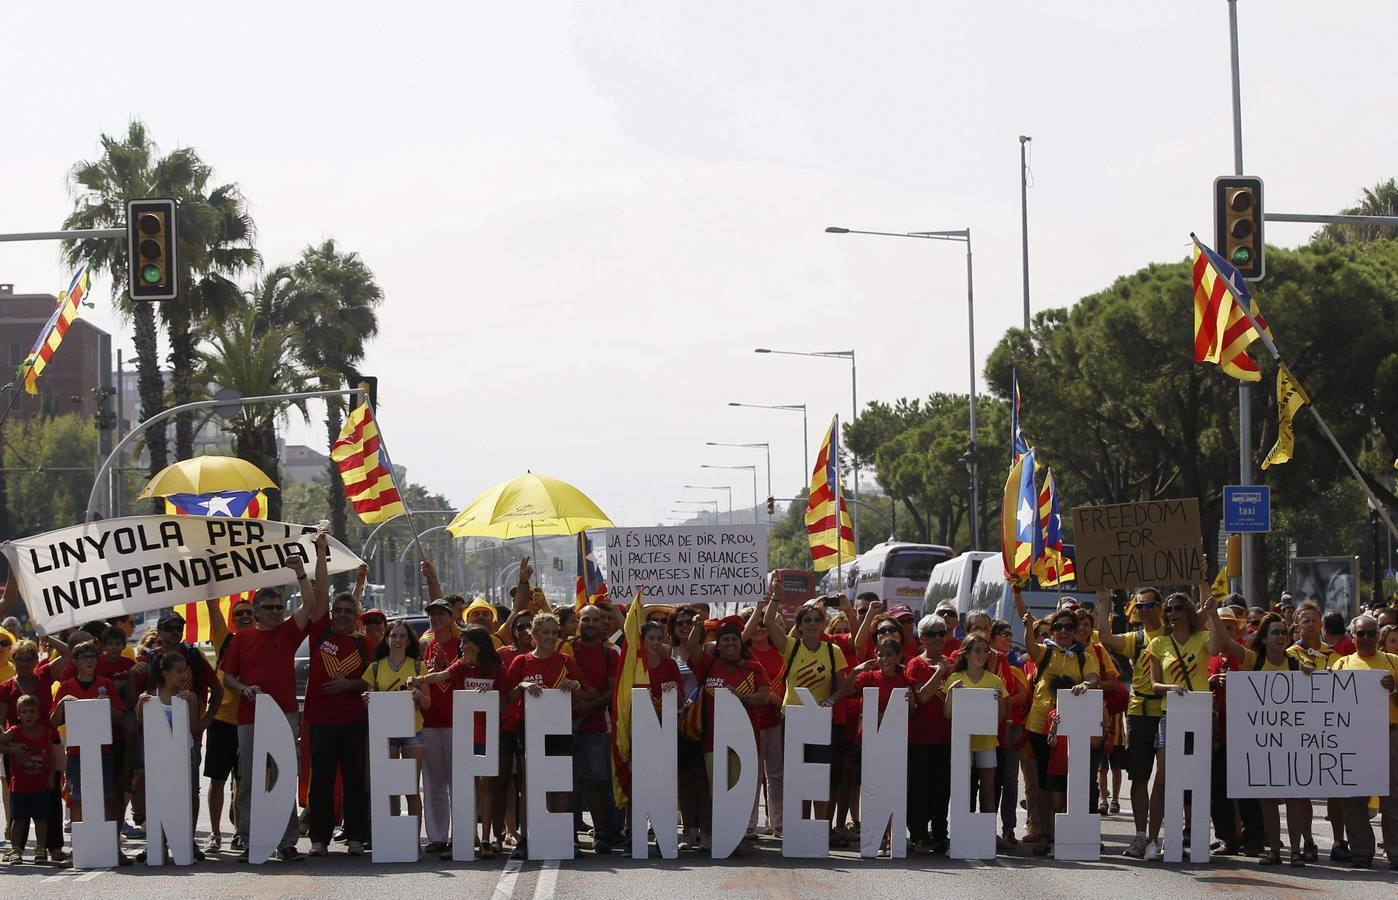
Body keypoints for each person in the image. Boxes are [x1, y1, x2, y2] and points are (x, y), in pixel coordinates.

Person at [219, 533, 329, 862]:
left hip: (283, 714)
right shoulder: (241, 638)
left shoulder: (288, 630)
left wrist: (300, 572)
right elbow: (226, 676)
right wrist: (244, 689)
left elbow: (310, 605)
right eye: (268, 607)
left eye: (280, 607)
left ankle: (287, 842)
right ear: (255, 611)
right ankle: (251, 840)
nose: (276, 612)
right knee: (251, 780)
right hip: (250, 716)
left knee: (283, 777)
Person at [1212, 610, 1315, 865]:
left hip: (1291, 742)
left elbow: (1317, 688)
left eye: (1283, 632)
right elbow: (1226, 641)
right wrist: (1213, 614)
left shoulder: (1296, 664)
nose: (1280, 636)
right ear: (1265, 639)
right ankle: (1275, 852)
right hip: (1262, 743)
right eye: (1275, 633)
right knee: (1267, 799)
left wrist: (1311, 675)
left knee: (1293, 798)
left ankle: (1295, 851)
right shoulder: (1252, 660)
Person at [765, 600, 851, 842]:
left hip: (820, 722)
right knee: (796, 778)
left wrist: (832, 700)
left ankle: (819, 832)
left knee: (818, 779)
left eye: (817, 620)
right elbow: (769, 622)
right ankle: (799, 830)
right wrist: (775, 598)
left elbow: (844, 685)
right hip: (792, 720)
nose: (812, 624)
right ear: (799, 625)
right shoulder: (791, 647)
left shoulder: (833, 651)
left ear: (824, 624)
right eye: (807, 620)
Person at [1140, 592, 1214, 862]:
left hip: (1199, 716)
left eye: (1179, 608)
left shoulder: (1203, 638)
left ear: (1189, 611)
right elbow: (1155, 685)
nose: (1173, 613)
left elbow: (1217, 647)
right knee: (1163, 778)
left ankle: (1193, 839)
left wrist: (1213, 613)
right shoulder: (1158, 643)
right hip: (1170, 715)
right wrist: (1172, 687)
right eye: (1169, 609)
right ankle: (1151, 840)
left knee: (1195, 779)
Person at [501, 612, 581, 859]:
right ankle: (527, 839)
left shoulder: (566, 661)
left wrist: (574, 686)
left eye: (554, 632)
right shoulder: (522, 662)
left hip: (559, 730)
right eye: (544, 632)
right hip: (530, 730)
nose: (550, 637)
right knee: (530, 785)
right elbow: (507, 698)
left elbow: (577, 692)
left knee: (559, 784)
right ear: (534, 635)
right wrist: (522, 686)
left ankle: (559, 836)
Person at [1023, 606, 1100, 857]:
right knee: (1044, 783)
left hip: (1073, 728)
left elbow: (1092, 679)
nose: (1064, 631)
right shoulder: (1045, 651)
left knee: (1070, 783)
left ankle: (1069, 834)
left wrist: (1085, 684)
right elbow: (1031, 649)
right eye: (1058, 627)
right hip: (1040, 725)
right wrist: (1027, 627)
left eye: (1069, 627)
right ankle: (1045, 834)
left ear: (1077, 631)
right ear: (1052, 631)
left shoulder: (1085, 656)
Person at [687, 618, 769, 852]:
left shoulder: (754, 668)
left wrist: (740, 698)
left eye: (734, 639)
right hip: (713, 741)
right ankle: (718, 836)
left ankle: (735, 835)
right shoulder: (708, 665)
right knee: (718, 790)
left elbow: (764, 697)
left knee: (739, 789)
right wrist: (696, 627)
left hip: (746, 741)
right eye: (725, 640)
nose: (730, 643)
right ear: (718, 645)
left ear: (740, 643)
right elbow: (692, 647)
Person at [1096, 587, 1166, 858]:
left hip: (1167, 711)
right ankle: (1140, 837)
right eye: (1140, 606)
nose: (1145, 610)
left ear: (1159, 607)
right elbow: (1105, 637)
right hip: (1138, 713)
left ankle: (1155, 837)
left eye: (1150, 605)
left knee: (1165, 777)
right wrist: (1104, 603)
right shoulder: (1135, 638)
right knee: (1139, 777)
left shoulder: (1173, 636)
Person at [51, 640, 131, 864]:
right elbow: (53, 721)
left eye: (93, 657)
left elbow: (120, 717)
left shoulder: (106, 684)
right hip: (77, 753)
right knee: (77, 801)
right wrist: (61, 705)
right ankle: (79, 848)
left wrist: (105, 705)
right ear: (75, 662)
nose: (90, 661)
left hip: (103, 752)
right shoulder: (66, 686)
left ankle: (111, 848)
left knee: (107, 800)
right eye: (85, 657)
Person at [1329, 613, 1398, 870]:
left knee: (1393, 797)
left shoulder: (1393, 662)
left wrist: (1395, 689)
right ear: (1353, 636)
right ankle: (1361, 851)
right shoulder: (1342, 664)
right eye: (1362, 633)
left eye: (1371, 633)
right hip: (1354, 739)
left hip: (1390, 734)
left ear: (1378, 636)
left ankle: (1395, 851)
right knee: (1354, 798)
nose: (1367, 638)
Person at [305, 591, 371, 858]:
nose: (342, 615)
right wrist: (319, 553)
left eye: (348, 611)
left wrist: (349, 685)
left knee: (355, 782)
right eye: (338, 610)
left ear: (357, 617)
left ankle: (356, 836)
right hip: (321, 721)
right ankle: (319, 838)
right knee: (321, 783)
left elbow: (372, 680)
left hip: (353, 722)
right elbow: (316, 597)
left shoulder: (365, 643)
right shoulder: (320, 634)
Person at [366, 620, 432, 852]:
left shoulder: (417, 666)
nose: (398, 640)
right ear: (387, 639)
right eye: (394, 635)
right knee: (390, 786)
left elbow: (428, 702)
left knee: (411, 787)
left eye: (402, 636)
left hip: (413, 731)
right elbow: (369, 696)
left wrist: (417, 694)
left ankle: (413, 841)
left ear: (408, 641)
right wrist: (368, 698)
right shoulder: (376, 667)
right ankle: (392, 835)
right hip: (387, 733)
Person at [134, 651, 202, 862]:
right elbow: (141, 724)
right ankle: (156, 842)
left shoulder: (188, 696)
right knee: (158, 797)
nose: (183, 676)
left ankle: (186, 840)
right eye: (178, 671)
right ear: (165, 673)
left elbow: (195, 727)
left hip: (185, 753)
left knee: (188, 796)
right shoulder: (151, 696)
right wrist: (140, 706)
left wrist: (192, 703)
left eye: (185, 671)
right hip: (159, 756)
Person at [564, 603, 621, 853]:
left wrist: (587, 709)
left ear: (603, 625)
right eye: (585, 620)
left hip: (596, 727)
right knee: (564, 781)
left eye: (595, 620)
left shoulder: (611, 654)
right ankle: (565, 834)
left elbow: (611, 691)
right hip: (562, 726)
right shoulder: (564, 649)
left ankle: (601, 834)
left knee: (597, 781)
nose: (590, 624)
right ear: (578, 621)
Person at [940, 634, 1007, 849]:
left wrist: (998, 702)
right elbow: (947, 714)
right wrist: (951, 693)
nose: (981, 655)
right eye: (976, 650)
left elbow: (1001, 716)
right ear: (966, 653)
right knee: (962, 788)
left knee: (988, 789)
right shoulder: (955, 678)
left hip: (987, 742)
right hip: (962, 744)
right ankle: (961, 833)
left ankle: (988, 834)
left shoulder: (994, 680)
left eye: (984, 650)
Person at [905, 614, 952, 853]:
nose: (938, 638)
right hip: (921, 737)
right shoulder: (916, 664)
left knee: (942, 789)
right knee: (921, 787)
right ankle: (919, 834)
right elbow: (922, 697)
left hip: (945, 737)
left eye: (942, 633)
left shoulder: (951, 662)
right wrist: (939, 671)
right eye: (932, 634)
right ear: (922, 638)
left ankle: (940, 834)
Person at [742, 600, 785, 838]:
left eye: (763, 624)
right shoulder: (744, 652)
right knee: (753, 773)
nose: (759, 628)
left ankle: (778, 822)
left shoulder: (782, 651)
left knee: (776, 774)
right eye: (754, 625)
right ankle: (749, 823)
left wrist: (780, 702)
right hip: (751, 720)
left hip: (776, 721)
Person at [1, 695, 61, 864]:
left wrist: (51, 777)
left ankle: (41, 849)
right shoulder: (14, 731)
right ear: (18, 714)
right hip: (19, 785)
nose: (28, 715)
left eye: (32, 712)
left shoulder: (46, 732)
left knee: (41, 819)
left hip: (40, 785)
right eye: (24, 712)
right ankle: (15, 850)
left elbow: (51, 756)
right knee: (18, 820)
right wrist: (11, 747)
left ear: (39, 713)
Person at [989, 619, 1030, 842]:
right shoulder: (984, 662)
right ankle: (988, 828)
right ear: (991, 638)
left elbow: (1022, 696)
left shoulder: (1015, 665)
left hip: (1011, 728)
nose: (1007, 637)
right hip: (988, 728)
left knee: (1009, 781)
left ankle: (1009, 829)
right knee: (990, 781)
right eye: (1001, 633)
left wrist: (1000, 702)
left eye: (1009, 633)